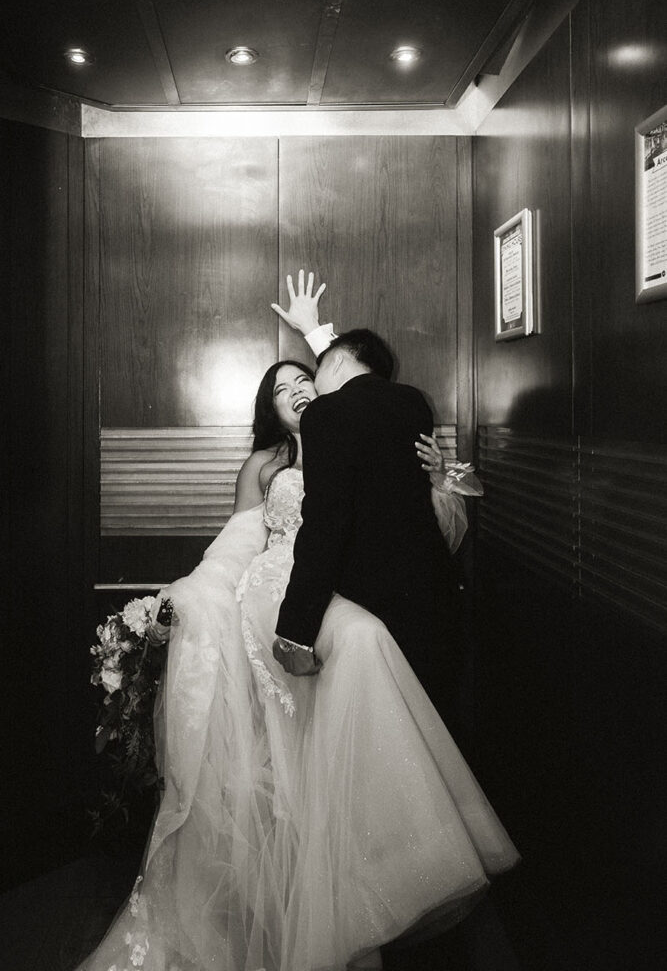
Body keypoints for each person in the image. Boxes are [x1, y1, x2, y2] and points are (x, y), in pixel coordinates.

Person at [77, 277, 518, 971]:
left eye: (306, 378)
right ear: (273, 409)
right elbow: (236, 542)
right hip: (282, 598)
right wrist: (191, 594)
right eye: (285, 387)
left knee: (347, 734)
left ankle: (369, 885)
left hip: (334, 602)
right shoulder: (266, 464)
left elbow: (372, 446)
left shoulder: (349, 431)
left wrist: (442, 479)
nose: (300, 388)